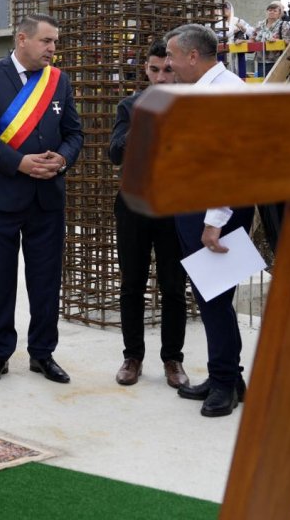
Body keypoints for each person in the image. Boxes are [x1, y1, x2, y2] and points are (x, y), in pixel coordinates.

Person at [0, 13, 82, 385]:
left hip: (46, 198)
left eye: (55, 42)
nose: (52, 49)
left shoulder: (59, 81)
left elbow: (74, 133)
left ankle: (42, 353)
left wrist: (63, 158)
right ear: (22, 39)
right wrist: (20, 163)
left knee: (45, 282)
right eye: (47, 41)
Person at [163, 23, 256, 418]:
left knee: (215, 298)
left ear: (192, 56)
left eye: (171, 56)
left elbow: (231, 165)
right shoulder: (213, 88)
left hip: (214, 209)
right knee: (212, 298)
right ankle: (229, 376)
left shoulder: (222, 94)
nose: (167, 64)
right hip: (202, 204)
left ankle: (224, 384)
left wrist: (214, 220)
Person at [109, 40, 188, 389]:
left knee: (173, 286)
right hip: (134, 205)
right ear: (145, 69)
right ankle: (132, 357)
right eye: (154, 70)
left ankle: (173, 359)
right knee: (132, 284)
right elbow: (114, 153)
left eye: (167, 70)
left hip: (174, 206)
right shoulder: (129, 106)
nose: (160, 77)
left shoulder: (191, 104)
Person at [249, 1, 290, 77]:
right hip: (261, 60)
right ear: (266, 12)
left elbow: (289, 41)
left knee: (274, 85)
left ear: (279, 14)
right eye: (270, 10)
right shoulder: (259, 24)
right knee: (262, 84)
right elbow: (253, 39)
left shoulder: (283, 25)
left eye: (275, 11)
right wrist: (243, 41)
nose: (271, 12)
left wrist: (277, 41)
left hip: (276, 60)